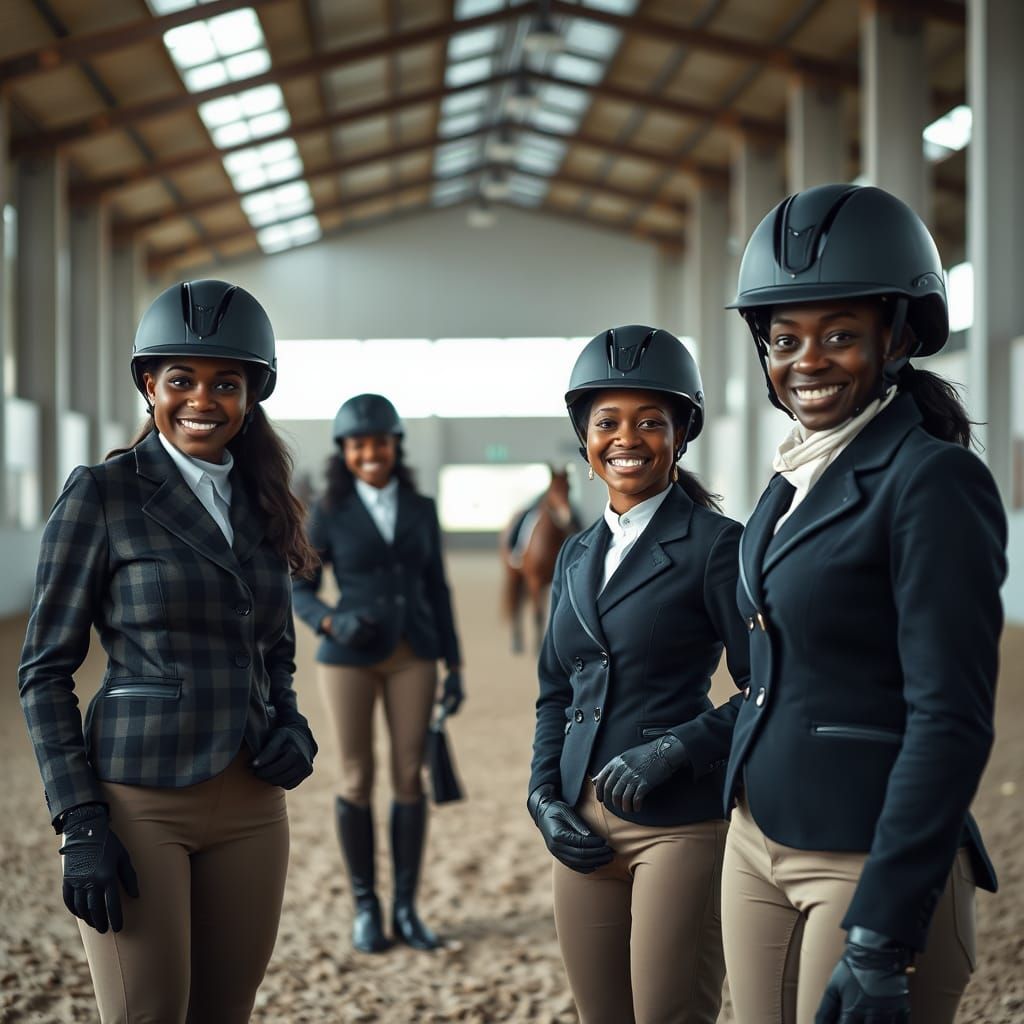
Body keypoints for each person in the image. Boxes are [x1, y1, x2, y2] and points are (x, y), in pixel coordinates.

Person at [721, 183, 1007, 1024]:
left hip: (866, 856)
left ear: (899, 338)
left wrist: (882, 931)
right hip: (755, 843)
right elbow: (777, 675)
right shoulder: (787, 482)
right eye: (784, 339)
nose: (806, 361)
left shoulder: (933, 482)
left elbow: (951, 718)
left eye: (839, 335)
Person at [18, 279, 319, 1023]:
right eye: (181, 379)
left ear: (252, 396)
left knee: (227, 1012)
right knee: (149, 1014)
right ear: (149, 384)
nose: (202, 399)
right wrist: (80, 820)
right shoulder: (102, 494)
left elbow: (273, 646)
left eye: (226, 382)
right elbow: (44, 671)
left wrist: (290, 719)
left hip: (253, 802)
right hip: (138, 801)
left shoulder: (264, 498)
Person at [527, 326, 752, 1024]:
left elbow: (773, 685)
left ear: (681, 434)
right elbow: (555, 691)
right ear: (586, 438)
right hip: (582, 825)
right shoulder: (573, 555)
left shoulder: (718, 545)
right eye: (608, 422)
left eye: (651, 421)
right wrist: (541, 796)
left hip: (677, 823)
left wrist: (676, 746)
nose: (628, 437)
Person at [292, 393, 464, 954]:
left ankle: (406, 908)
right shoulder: (327, 511)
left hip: (415, 653)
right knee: (356, 778)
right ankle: (366, 907)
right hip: (349, 660)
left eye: (380, 442)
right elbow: (300, 587)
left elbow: (437, 587)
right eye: (359, 444)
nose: (370, 452)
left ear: (395, 446)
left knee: (409, 777)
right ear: (345, 451)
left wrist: (455, 663)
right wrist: (330, 622)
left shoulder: (421, 507)